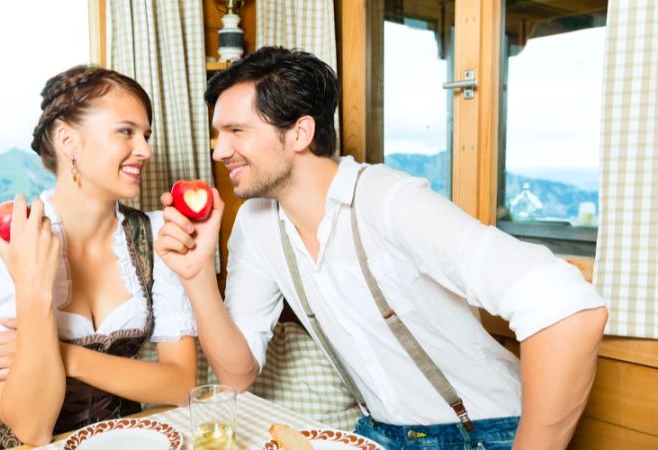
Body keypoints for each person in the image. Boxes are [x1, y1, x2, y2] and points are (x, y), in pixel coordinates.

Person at [153, 47, 608, 450]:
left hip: (486, 432)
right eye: (219, 133)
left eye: (236, 131)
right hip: (376, 434)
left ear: (299, 133)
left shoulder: (390, 200)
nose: (219, 151)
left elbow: (569, 307)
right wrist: (195, 277)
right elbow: (237, 375)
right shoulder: (256, 226)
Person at [0, 65, 198, 449]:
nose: (145, 150)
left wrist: (63, 355)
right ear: (69, 141)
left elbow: (182, 384)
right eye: (126, 131)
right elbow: (31, 428)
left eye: (146, 135)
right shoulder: (9, 234)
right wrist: (34, 290)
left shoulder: (152, 235)